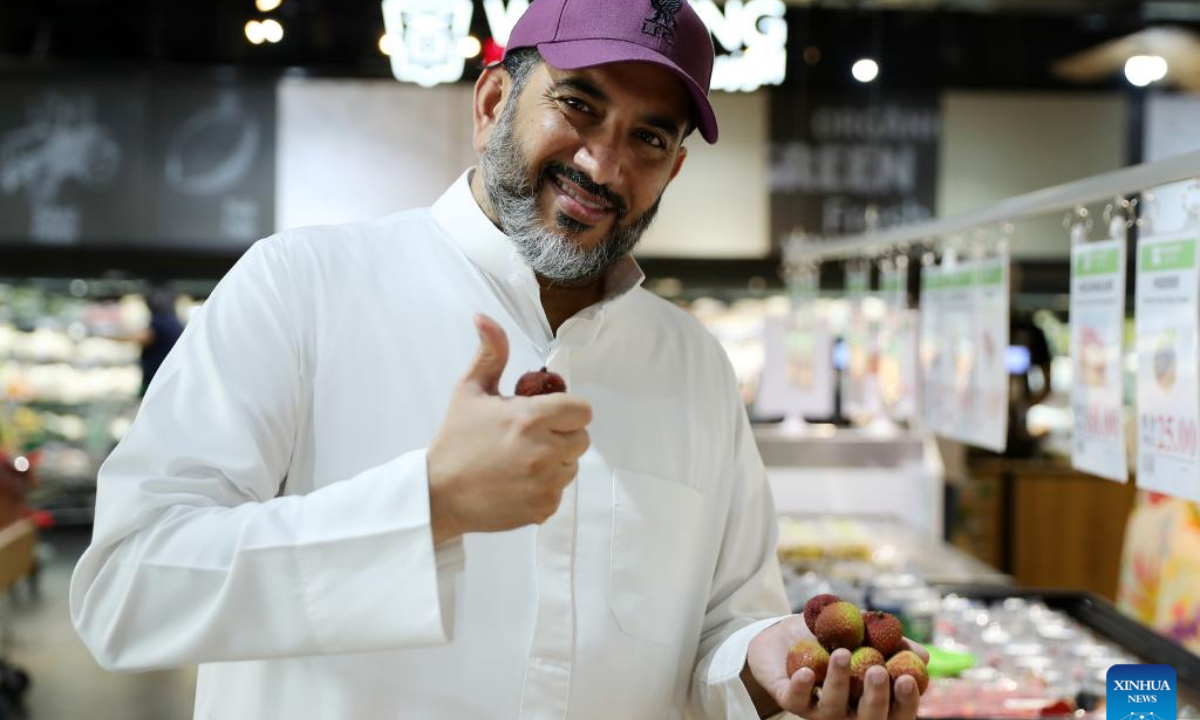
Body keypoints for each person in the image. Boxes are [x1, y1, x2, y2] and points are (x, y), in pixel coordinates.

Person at [70, 1, 925, 718]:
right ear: (489, 104)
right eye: (578, 106)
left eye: (650, 139)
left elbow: (722, 623)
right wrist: (428, 506)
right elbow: (127, 589)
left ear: (672, 168)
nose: (603, 162)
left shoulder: (693, 366)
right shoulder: (299, 288)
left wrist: (761, 663)